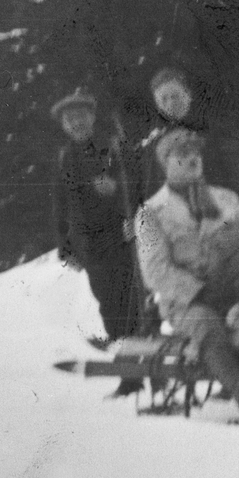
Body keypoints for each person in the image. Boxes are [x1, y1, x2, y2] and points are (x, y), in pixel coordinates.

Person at [134, 127, 239, 421]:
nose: (192, 159)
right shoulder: (149, 215)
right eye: (182, 154)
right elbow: (155, 272)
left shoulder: (226, 198)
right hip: (187, 301)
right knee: (207, 325)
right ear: (165, 163)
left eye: (196, 153)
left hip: (233, 288)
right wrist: (197, 291)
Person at [51, 87, 144, 398]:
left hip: (119, 241)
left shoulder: (113, 146)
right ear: (64, 125)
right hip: (90, 248)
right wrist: (66, 248)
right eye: (70, 119)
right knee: (110, 309)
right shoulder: (65, 157)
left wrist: (116, 190)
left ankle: (137, 374)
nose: (76, 123)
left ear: (91, 117)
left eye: (81, 116)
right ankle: (130, 373)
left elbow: (137, 188)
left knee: (130, 307)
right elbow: (61, 206)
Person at [148, 66, 239, 212]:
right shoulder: (161, 144)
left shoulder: (213, 129)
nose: (170, 103)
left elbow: (238, 174)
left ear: (188, 95)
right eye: (164, 99)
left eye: (175, 96)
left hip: (227, 210)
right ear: (158, 105)